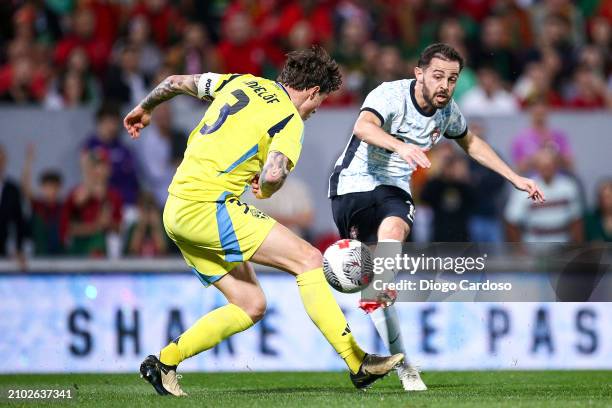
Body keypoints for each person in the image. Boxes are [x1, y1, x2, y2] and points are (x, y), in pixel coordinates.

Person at [123, 45, 403, 397]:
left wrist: (143, 108)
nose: (316, 110)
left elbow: (175, 81)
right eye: (320, 101)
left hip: (175, 208)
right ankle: (356, 361)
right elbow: (272, 173)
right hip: (208, 206)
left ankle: (163, 363)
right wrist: (271, 186)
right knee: (309, 259)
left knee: (249, 303)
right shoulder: (288, 120)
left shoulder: (240, 82)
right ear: (313, 92)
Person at [328, 43, 545, 392]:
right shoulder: (390, 95)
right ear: (419, 73)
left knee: (393, 233)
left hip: (394, 188)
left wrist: (515, 177)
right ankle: (391, 331)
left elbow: (471, 143)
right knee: (370, 280)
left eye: (453, 78)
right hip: (353, 184)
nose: (445, 85)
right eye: (438, 76)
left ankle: (399, 352)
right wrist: (400, 146)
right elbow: (363, 127)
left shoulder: (447, 113)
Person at [505, 148, 583, 243]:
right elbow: (512, 221)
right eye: (543, 166)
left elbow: (576, 220)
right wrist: (519, 250)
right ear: (536, 167)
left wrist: (577, 246)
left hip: (563, 246)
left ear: (556, 165)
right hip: (534, 247)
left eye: (550, 165)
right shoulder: (525, 187)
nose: (547, 169)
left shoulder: (569, 186)